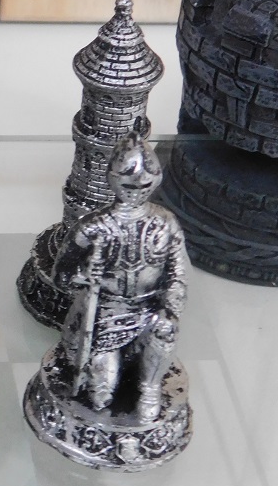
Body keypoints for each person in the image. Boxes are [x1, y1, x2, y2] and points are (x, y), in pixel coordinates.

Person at [54, 133, 187, 423]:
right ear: (114, 180)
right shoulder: (93, 227)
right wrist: (84, 275)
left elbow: (177, 275)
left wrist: (170, 308)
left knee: (166, 330)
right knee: (100, 397)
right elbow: (61, 275)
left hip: (148, 309)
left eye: (143, 185)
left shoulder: (165, 223)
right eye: (129, 185)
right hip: (106, 314)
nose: (136, 191)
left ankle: (149, 389)